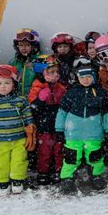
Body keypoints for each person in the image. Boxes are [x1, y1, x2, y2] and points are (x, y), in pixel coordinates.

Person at [56, 58, 108, 192]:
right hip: (73, 133)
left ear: (94, 77)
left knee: (95, 156)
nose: (85, 80)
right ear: (77, 78)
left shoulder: (101, 93)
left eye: (88, 77)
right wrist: (59, 129)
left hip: (94, 133)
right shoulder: (71, 93)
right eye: (82, 77)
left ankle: (96, 175)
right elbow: (62, 112)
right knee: (71, 157)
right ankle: (67, 178)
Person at [0, 64, 35, 195]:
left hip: (19, 138)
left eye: (7, 83)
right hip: (0, 140)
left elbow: (28, 117)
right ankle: (3, 182)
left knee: (19, 160)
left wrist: (30, 132)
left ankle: (17, 180)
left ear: (14, 84)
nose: (3, 86)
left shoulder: (20, 100)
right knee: (0, 162)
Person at [28, 57, 68, 186]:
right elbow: (32, 108)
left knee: (59, 149)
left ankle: (58, 170)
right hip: (44, 125)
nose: (55, 75)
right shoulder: (37, 87)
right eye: (51, 72)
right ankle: (43, 172)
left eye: (57, 71)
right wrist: (40, 100)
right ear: (42, 73)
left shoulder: (61, 87)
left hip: (59, 124)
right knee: (44, 151)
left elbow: (67, 104)